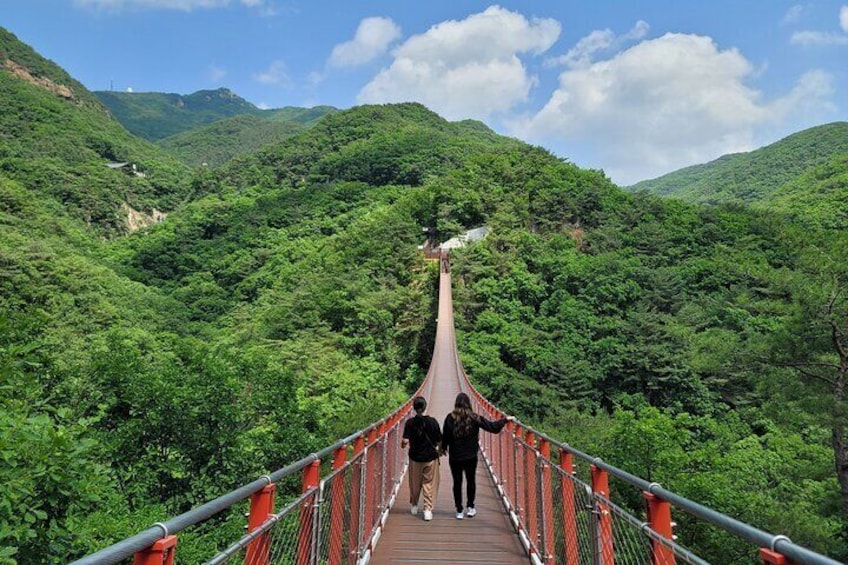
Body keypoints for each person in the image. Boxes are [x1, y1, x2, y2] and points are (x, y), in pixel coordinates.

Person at [441, 392, 513, 519]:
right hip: (470, 456)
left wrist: (443, 448)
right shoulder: (475, 417)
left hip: (455, 456)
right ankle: (470, 507)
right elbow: (493, 427)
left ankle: (459, 510)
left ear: (456, 404)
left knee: (457, 482)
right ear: (469, 404)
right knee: (471, 481)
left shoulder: (449, 418)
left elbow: (445, 436)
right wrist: (505, 420)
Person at [401, 396, 442, 521]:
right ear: (425, 407)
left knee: (415, 483)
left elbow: (405, 441)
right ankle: (427, 510)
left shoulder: (410, 423)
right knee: (428, 483)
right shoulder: (433, 422)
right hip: (430, 458)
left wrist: (403, 444)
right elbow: (440, 440)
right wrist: (439, 451)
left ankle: (414, 505)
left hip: (415, 458)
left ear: (414, 408)